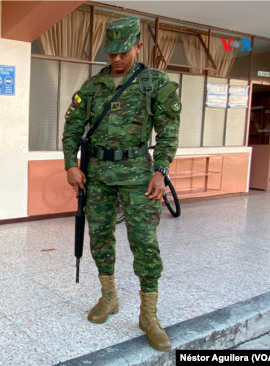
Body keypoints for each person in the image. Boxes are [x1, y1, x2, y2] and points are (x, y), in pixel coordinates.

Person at [62, 16, 181, 352]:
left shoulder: (155, 83)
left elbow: (168, 130)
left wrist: (161, 169)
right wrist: (71, 164)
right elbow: (72, 128)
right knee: (100, 238)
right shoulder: (92, 87)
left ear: (137, 46)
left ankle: (148, 315)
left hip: (138, 177)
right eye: (111, 52)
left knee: (144, 242)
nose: (116, 58)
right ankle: (109, 297)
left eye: (123, 51)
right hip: (97, 177)